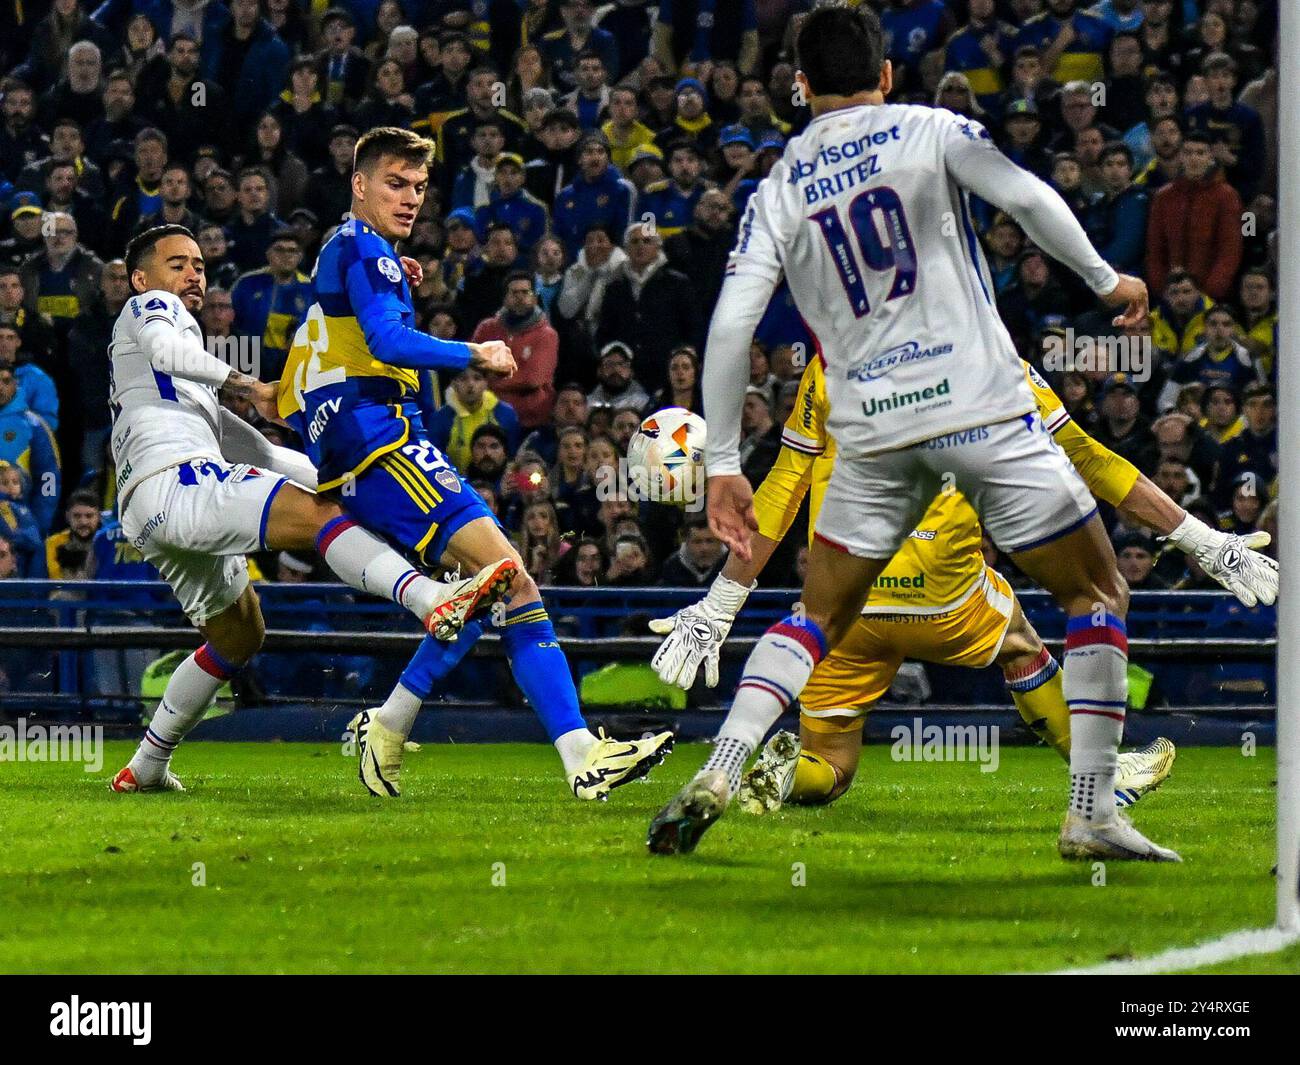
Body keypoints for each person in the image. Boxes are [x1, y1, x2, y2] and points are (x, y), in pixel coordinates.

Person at [647, 7, 1274, 860]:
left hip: (868, 425)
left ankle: (725, 762)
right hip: (978, 400)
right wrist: (1103, 276)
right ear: (888, 75)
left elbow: (729, 327)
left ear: (799, 86)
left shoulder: (780, 185)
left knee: (817, 613)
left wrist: (723, 466)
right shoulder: (929, 125)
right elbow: (1024, 193)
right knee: (1094, 594)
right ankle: (1089, 808)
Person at [276, 128, 671, 800]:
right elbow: (386, 339)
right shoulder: (365, 250)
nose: (410, 199)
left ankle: (392, 725)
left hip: (370, 443)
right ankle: (580, 755)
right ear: (359, 184)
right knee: (512, 579)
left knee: (486, 590)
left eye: (419, 187)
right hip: (382, 443)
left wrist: (393, 278)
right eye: (395, 183)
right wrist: (476, 353)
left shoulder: (344, 249)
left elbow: (342, 332)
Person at [108, 223, 516, 794]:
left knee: (239, 636)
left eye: (199, 265)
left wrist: (342, 483)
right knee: (321, 520)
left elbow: (259, 450)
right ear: (141, 279)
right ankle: (431, 599)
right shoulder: (152, 313)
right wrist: (248, 383)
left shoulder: (169, 386)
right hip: (178, 483)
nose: (192, 274)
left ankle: (146, 766)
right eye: (177, 264)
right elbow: (164, 347)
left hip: (152, 506)